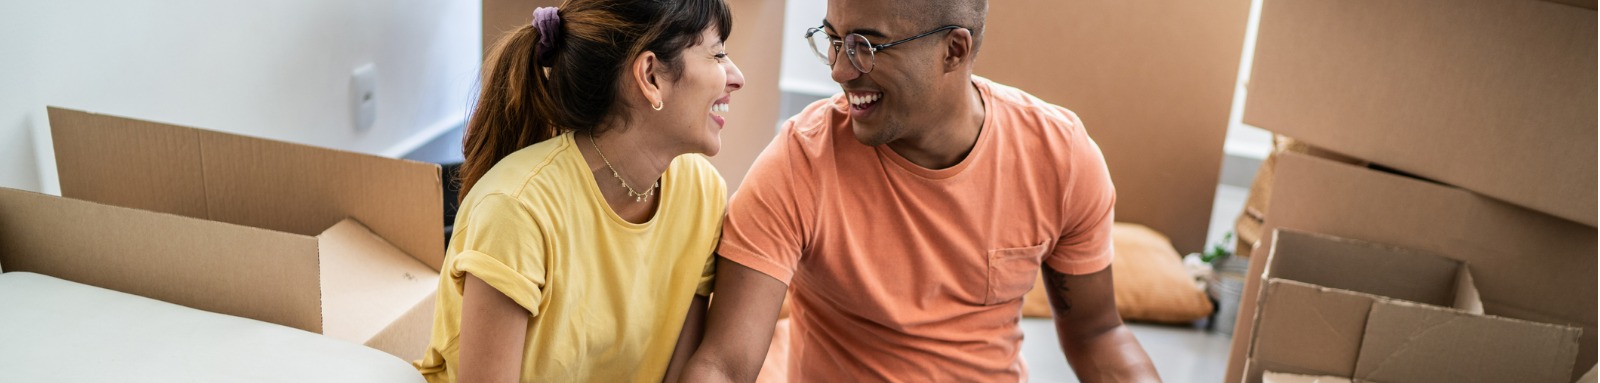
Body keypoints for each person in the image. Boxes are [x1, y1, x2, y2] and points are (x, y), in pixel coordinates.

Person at [680, 0, 1159, 381]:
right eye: (833, 40)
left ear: (954, 50)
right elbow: (724, 364)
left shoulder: (1060, 156)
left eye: (866, 45)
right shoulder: (800, 161)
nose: (841, 70)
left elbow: (1098, 334)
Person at [412, 0, 744, 381]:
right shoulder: (515, 210)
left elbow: (678, 371)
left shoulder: (702, 193)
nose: (736, 77)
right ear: (651, 76)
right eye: (717, 54)